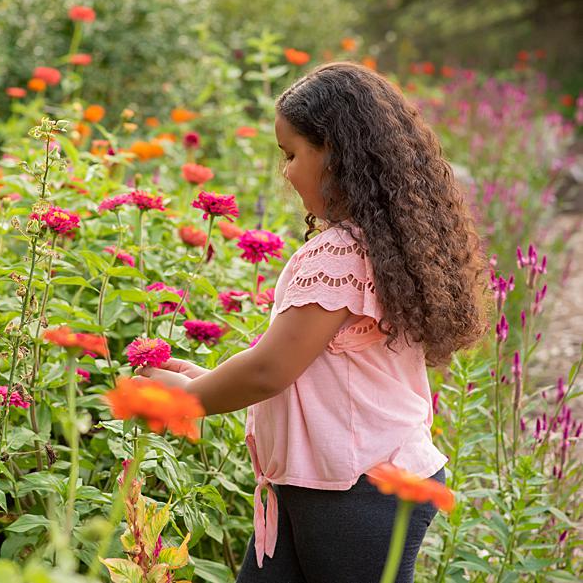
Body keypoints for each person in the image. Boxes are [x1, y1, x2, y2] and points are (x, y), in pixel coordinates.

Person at [133, 62, 491, 582]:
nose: (286, 171)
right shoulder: (383, 247)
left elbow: (269, 370)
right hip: (329, 484)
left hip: (356, 494)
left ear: (337, 156)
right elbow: (296, 358)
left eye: (292, 154)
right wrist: (203, 379)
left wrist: (184, 399)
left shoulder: (340, 254)